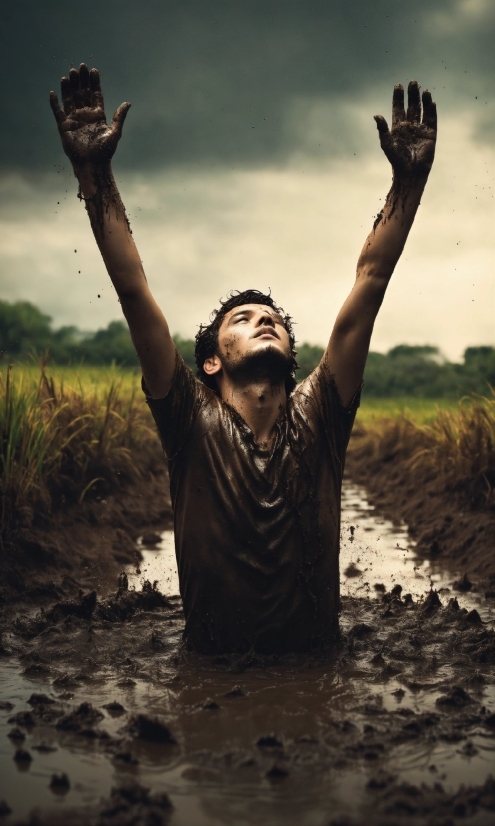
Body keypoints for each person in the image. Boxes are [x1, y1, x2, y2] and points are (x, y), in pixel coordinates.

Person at [50, 67, 437, 654]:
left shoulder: (323, 415)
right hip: (208, 668)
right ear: (211, 363)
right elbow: (133, 291)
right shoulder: (187, 419)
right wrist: (93, 171)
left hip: (317, 664)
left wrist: (407, 187)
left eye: (275, 320)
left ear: (290, 357)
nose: (266, 320)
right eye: (244, 319)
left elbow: (371, 281)